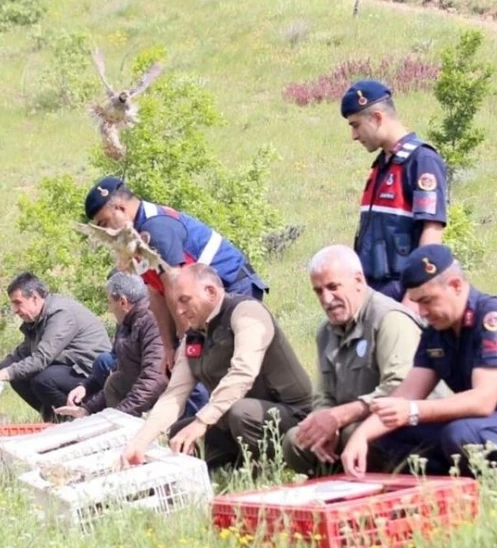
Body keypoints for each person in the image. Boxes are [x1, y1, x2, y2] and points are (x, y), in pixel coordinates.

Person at [341, 245, 497, 478]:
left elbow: (483, 401)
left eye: (427, 301)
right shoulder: (437, 331)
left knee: (459, 434)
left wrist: (412, 411)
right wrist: (362, 435)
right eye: (416, 302)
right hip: (483, 427)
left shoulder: (493, 318)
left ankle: (491, 490)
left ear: (456, 285)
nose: (421, 311)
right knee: (389, 435)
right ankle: (439, 490)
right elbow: (406, 394)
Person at [120, 264, 313, 471]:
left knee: (241, 412)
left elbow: (243, 373)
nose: (179, 311)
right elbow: (174, 395)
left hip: (291, 415)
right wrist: (139, 442)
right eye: (175, 303)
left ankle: (269, 469)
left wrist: (202, 421)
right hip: (234, 419)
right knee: (180, 431)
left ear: (210, 292)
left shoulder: (247, 312)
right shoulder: (193, 336)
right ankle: (229, 469)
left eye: (185, 300)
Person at [285, 245, 442, 476]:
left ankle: (382, 484)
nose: (327, 299)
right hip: (353, 421)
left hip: (403, 422)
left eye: (333, 287)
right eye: (318, 291)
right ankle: (332, 486)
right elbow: (323, 393)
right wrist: (326, 421)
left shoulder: (390, 319)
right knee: (296, 440)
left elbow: (398, 388)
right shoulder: (325, 332)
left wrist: (339, 417)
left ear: (358, 280)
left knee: (353, 435)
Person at [83, 176, 267, 371]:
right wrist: (169, 347)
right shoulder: (135, 236)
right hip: (205, 300)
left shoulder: (155, 227)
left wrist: (186, 341)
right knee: (200, 370)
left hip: (234, 288)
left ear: (120, 208)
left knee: (231, 368)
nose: (107, 232)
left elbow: (176, 286)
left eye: (105, 223)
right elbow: (156, 293)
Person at [341, 80, 449, 305]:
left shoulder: (421, 160)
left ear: (378, 118)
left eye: (356, 125)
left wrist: (414, 299)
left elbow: (431, 233)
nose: (354, 135)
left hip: (401, 299)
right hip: (373, 296)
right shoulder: (381, 165)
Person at [0, 273, 112, 422]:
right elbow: (24, 351)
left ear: (34, 297)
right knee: (19, 377)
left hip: (91, 375)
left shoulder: (60, 313)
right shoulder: (38, 317)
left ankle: (75, 420)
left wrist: (5, 373)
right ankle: (52, 419)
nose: (15, 310)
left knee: (43, 379)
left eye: (18, 303)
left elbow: (41, 358)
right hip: (71, 368)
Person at [54, 272, 168, 419]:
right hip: (143, 389)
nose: (109, 308)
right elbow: (123, 372)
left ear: (122, 302)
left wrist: (117, 416)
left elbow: (154, 380)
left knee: (112, 374)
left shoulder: (152, 322)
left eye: (109, 302)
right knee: (114, 381)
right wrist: (87, 409)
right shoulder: (127, 322)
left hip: (176, 392)